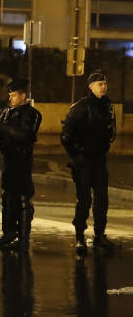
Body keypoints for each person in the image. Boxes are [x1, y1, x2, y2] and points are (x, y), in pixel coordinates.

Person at [0, 78, 42, 251]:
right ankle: (9, 233)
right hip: (9, 160)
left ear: (23, 95)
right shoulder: (7, 113)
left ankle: (23, 238)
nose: (10, 99)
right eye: (9, 95)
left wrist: (0, 127)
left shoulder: (32, 114)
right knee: (8, 198)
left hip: (22, 161)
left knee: (22, 200)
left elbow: (22, 135)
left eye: (13, 95)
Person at [61, 72, 117, 254]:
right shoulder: (80, 107)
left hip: (99, 158)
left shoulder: (106, 105)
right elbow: (66, 135)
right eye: (100, 84)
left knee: (102, 200)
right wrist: (76, 155)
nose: (104, 87)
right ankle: (79, 237)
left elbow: (110, 129)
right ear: (90, 86)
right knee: (84, 200)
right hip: (84, 160)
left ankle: (99, 236)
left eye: (105, 83)